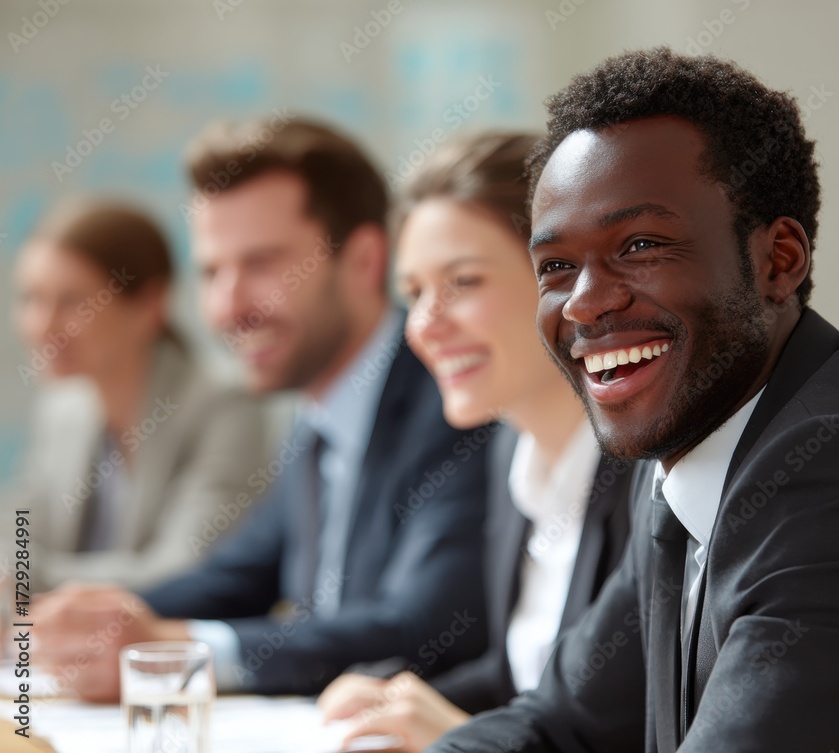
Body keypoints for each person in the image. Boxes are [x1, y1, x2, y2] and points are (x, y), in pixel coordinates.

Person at [428, 48, 839, 753]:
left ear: (778, 260)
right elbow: (560, 721)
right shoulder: (692, 448)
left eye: (639, 245)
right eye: (555, 266)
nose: (585, 302)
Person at [33, 116, 490, 702]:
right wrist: (79, 628)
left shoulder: (454, 397)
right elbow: (236, 578)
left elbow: (421, 627)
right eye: (212, 271)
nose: (228, 306)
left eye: (262, 264)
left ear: (364, 261)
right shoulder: (319, 415)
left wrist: (185, 652)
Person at [315, 133, 635, 752]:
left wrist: (464, 738)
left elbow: (632, 729)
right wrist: (396, 694)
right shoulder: (511, 455)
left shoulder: (644, 479)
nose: (425, 325)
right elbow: (523, 681)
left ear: (561, 280)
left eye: (462, 281)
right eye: (412, 293)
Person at [6, 200, 265, 591]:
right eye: (31, 298)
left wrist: (21, 578)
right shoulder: (62, 409)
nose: (42, 326)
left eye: (72, 301)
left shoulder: (226, 406)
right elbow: (21, 530)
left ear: (150, 304)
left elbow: (183, 570)